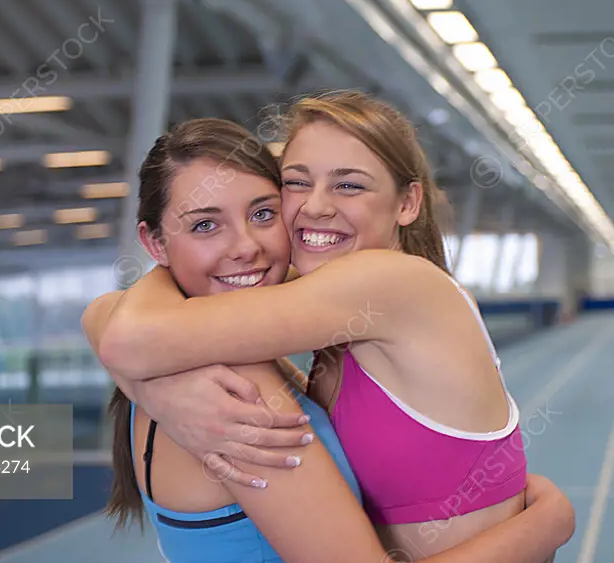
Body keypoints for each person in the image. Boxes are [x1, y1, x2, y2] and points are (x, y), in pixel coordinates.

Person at [86, 105, 573, 562]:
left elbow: (120, 329)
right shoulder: (231, 382)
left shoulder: (381, 286)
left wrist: (153, 382)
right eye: (298, 183)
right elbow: (119, 331)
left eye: (261, 213)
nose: (246, 247)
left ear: (408, 202)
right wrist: (546, 525)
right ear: (154, 241)